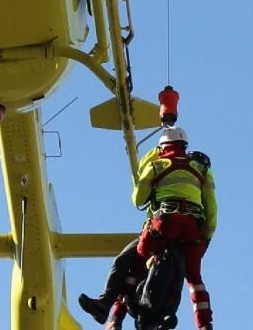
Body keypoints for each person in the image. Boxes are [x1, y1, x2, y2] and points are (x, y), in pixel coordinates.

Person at [79, 127, 216, 330]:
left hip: (163, 225)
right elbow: (212, 208)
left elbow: (138, 199)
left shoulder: (156, 165)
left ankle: (113, 318)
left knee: (134, 266)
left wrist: (152, 157)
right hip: (191, 232)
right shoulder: (202, 169)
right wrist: (206, 237)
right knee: (195, 280)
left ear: (162, 147)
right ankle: (204, 325)